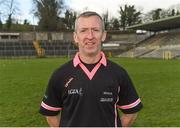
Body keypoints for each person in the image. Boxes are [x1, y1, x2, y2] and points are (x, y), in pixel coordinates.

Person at [39, 11, 143, 127]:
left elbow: (131, 112)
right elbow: (50, 114)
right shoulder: (60, 75)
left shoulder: (118, 73)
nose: (90, 36)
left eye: (95, 30)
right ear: (75, 36)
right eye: (83, 31)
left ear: (103, 35)